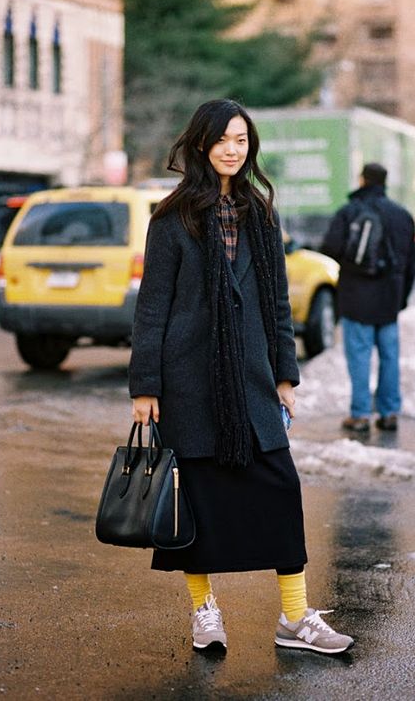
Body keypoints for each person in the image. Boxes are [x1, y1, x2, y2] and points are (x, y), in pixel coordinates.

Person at [129, 99, 353, 654]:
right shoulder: (173, 216)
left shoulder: (261, 214)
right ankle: (204, 611)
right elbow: (153, 307)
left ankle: (296, 619)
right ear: (202, 144)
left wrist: (284, 375)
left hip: (251, 378)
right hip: (189, 380)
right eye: (224, 140)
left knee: (280, 487)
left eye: (242, 141)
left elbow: (278, 302)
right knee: (196, 502)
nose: (234, 150)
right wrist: (145, 387)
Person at [321, 162, 415, 433]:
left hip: (355, 298)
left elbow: (330, 246)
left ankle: (361, 414)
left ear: (363, 180)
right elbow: (413, 263)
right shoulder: (402, 215)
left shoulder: (349, 211)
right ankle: (389, 414)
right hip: (389, 299)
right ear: (385, 182)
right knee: (389, 356)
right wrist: (402, 298)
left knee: (360, 357)